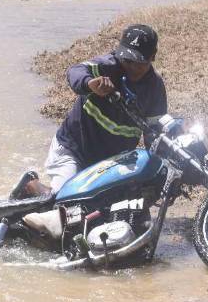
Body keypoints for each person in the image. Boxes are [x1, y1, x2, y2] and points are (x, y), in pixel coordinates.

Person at [11, 24, 167, 201]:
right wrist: (89, 84)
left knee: (131, 209)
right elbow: (75, 71)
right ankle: (31, 184)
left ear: (153, 56)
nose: (131, 67)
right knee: (63, 200)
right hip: (73, 150)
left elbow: (154, 134)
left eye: (139, 63)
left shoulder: (155, 88)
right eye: (127, 60)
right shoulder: (106, 66)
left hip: (110, 163)